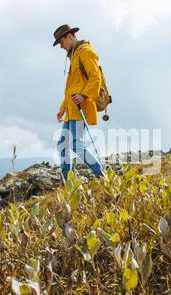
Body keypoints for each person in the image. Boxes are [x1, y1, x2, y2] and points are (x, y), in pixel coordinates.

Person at [53, 24, 105, 183]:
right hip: (71, 109)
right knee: (63, 144)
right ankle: (66, 181)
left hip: (80, 106)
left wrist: (84, 96)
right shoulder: (74, 56)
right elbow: (72, 87)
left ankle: (101, 175)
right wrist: (62, 108)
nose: (61, 47)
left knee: (75, 144)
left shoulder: (86, 52)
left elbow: (95, 78)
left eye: (61, 43)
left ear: (69, 36)